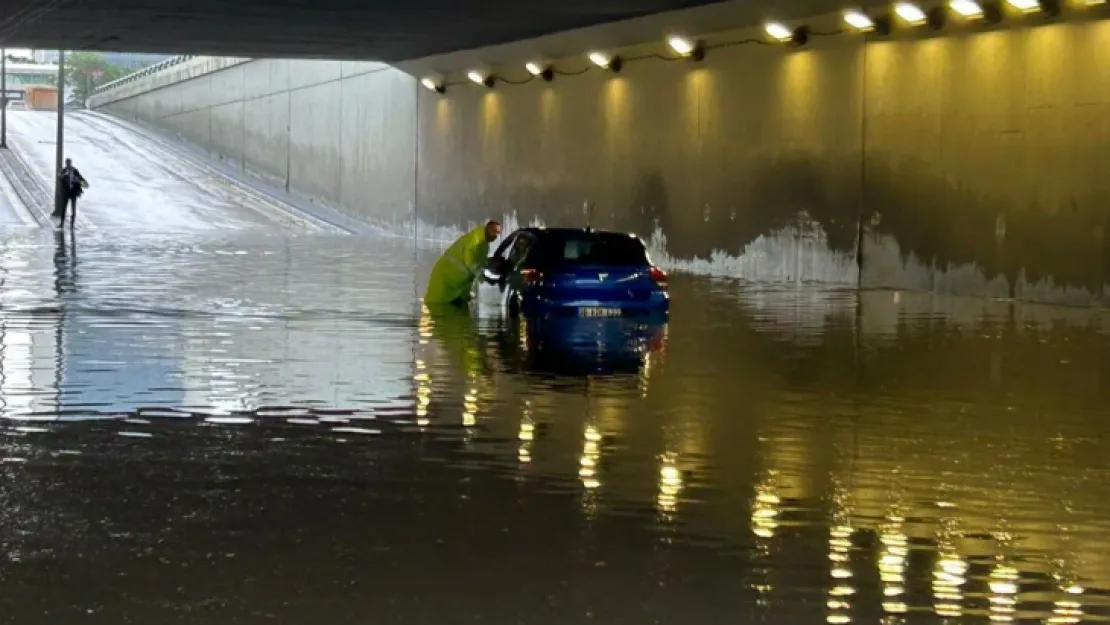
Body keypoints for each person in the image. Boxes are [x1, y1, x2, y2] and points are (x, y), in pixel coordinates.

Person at [424, 220, 502, 306]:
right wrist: (486, 279)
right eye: (494, 231)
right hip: (444, 281)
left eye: (498, 233)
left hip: (457, 285)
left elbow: (479, 263)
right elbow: (471, 264)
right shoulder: (474, 242)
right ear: (487, 228)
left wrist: (492, 263)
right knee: (436, 306)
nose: (496, 236)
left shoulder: (484, 245)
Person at [56, 158, 87, 228]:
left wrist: (83, 182)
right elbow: (60, 177)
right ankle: (62, 223)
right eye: (67, 163)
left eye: (69, 163)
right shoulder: (63, 171)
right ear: (66, 163)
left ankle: (72, 224)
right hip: (65, 193)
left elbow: (80, 178)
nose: (68, 165)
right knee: (63, 209)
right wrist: (64, 175)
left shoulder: (75, 170)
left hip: (73, 193)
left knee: (73, 209)